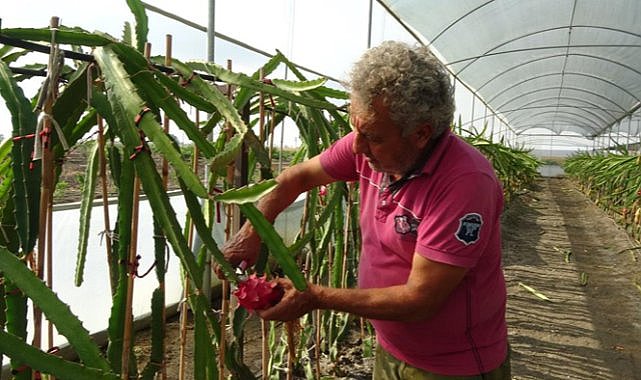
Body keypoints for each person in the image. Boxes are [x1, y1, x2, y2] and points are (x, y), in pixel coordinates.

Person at [220, 41, 511, 379]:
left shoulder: (464, 183)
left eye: (372, 136)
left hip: (452, 365)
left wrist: (313, 296)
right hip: (391, 346)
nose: (357, 146)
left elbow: (420, 300)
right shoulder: (370, 144)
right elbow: (295, 178)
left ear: (420, 134)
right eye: (355, 128)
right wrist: (253, 232)